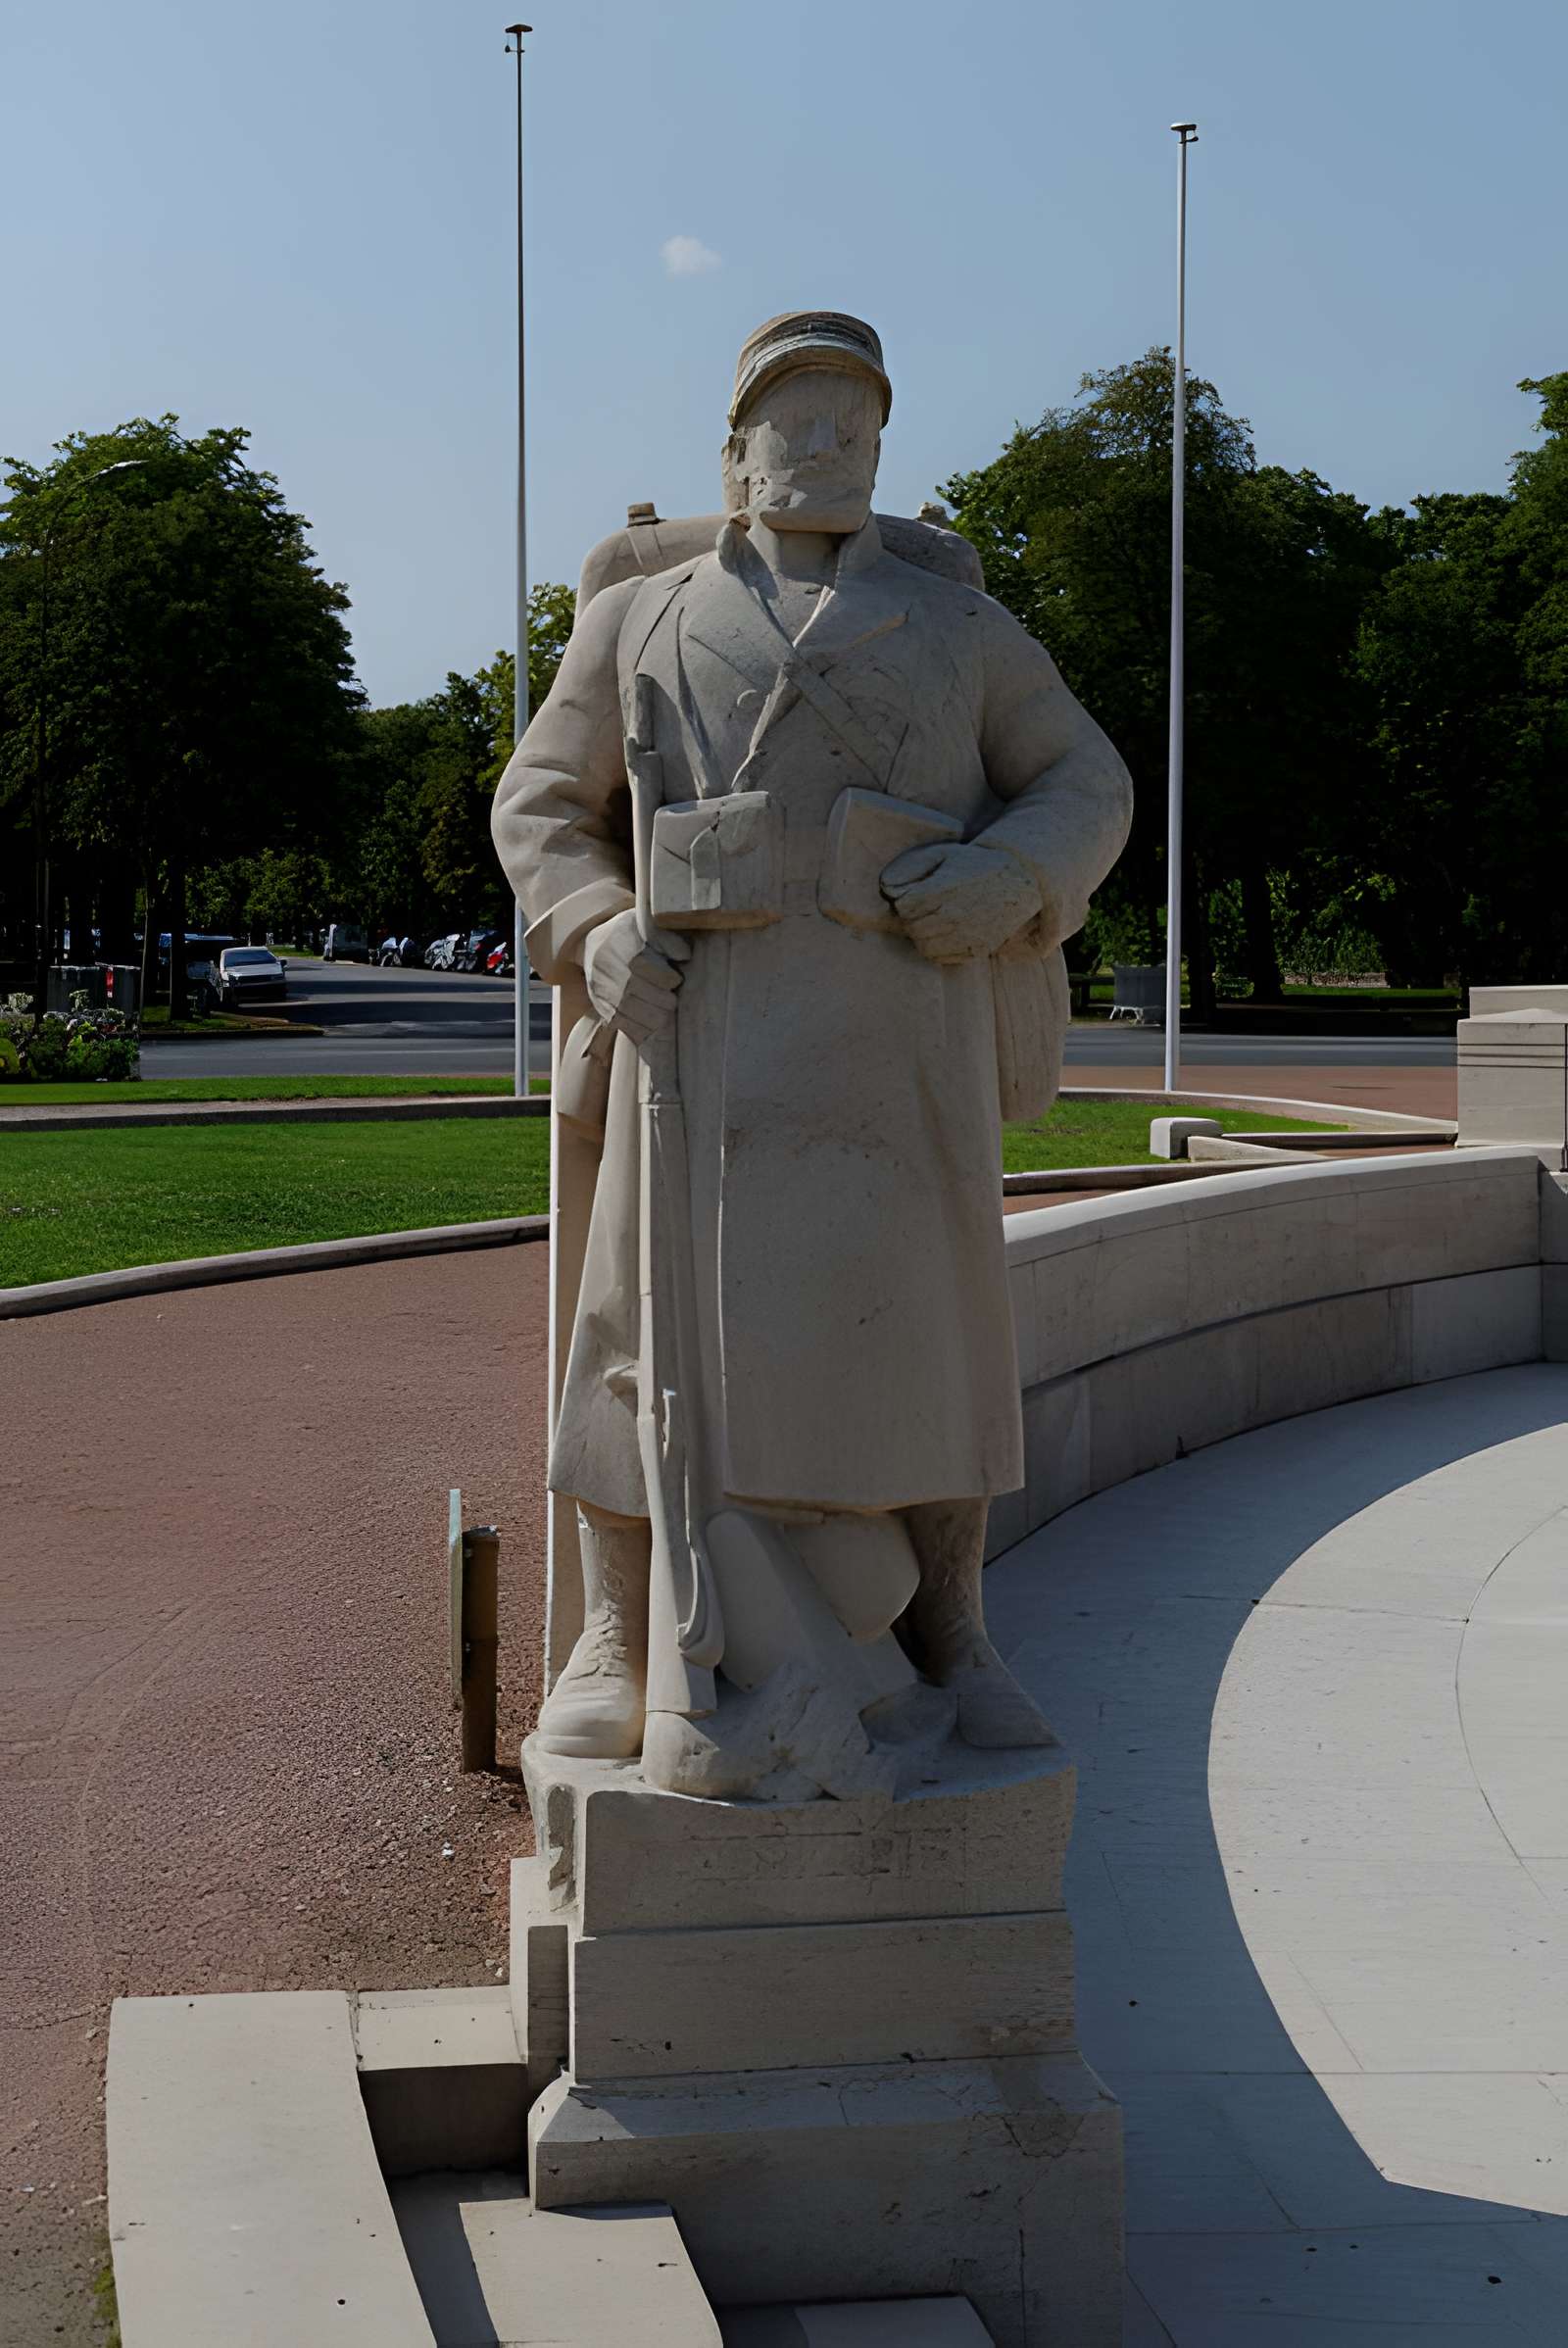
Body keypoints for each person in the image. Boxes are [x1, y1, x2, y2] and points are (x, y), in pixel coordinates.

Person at [493, 312, 1131, 1795]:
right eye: (798, 418)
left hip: (897, 1038)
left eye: (856, 419)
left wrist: (1015, 876)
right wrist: (593, 928)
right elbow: (542, 803)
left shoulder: (960, 626)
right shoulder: (637, 619)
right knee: (631, 1333)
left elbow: (1085, 780)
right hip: (695, 1034)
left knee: (929, 1338)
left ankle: (952, 1632)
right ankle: (617, 1636)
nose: (830, 443)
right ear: (737, 451)